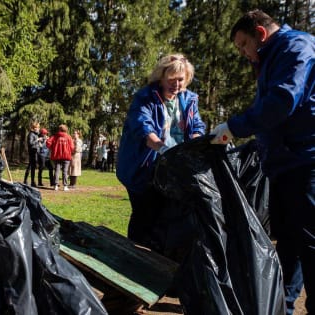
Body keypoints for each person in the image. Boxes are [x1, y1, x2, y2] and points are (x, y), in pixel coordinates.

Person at [210, 10, 314, 315]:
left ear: (260, 33)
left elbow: (282, 102)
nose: (243, 53)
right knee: (290, 242)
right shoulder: (271, 60)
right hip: (283, 164)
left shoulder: (296, 48)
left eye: (243, 44)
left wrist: (233, 127)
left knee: (309, 241)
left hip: (305, 161)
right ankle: (284, 307)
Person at [117, 53, 206, 247]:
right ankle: (134, 253)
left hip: (175, 168)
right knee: (144, 214)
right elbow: (143, 128)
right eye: (171, 79)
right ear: (161, 77)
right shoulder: (145, 97)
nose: (176, 84)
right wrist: (163, 148)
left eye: (180, 79)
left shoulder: (189, 99)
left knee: (167, 216)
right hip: (144, 167)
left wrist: (196, 143)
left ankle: (157, 256)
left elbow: (197, 126)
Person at [46, 124, 74, 191]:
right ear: (66, 130)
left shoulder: (55, 136)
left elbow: (48, 143)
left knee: (57, 171)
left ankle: (55, 186)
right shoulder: (68, 137)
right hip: (66, 156)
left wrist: (52, 148)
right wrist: (70, 151)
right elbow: (72, 147)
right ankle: (65, 186)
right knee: (65, 171)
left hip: (57, 156)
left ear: (59, 129)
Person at [23, 122, 40, 187]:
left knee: (33, 167)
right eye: (37, 127)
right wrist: (37, 140)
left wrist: (39, 143)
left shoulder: (36, 134)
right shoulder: (31, 134)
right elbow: (30, 143)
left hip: (35, 152)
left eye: (38, 127)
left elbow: (36, 143)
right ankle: (25, 180)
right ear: (33, 128)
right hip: (32, 152)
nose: (38, 129)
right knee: (30, 166)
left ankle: (32, 181)